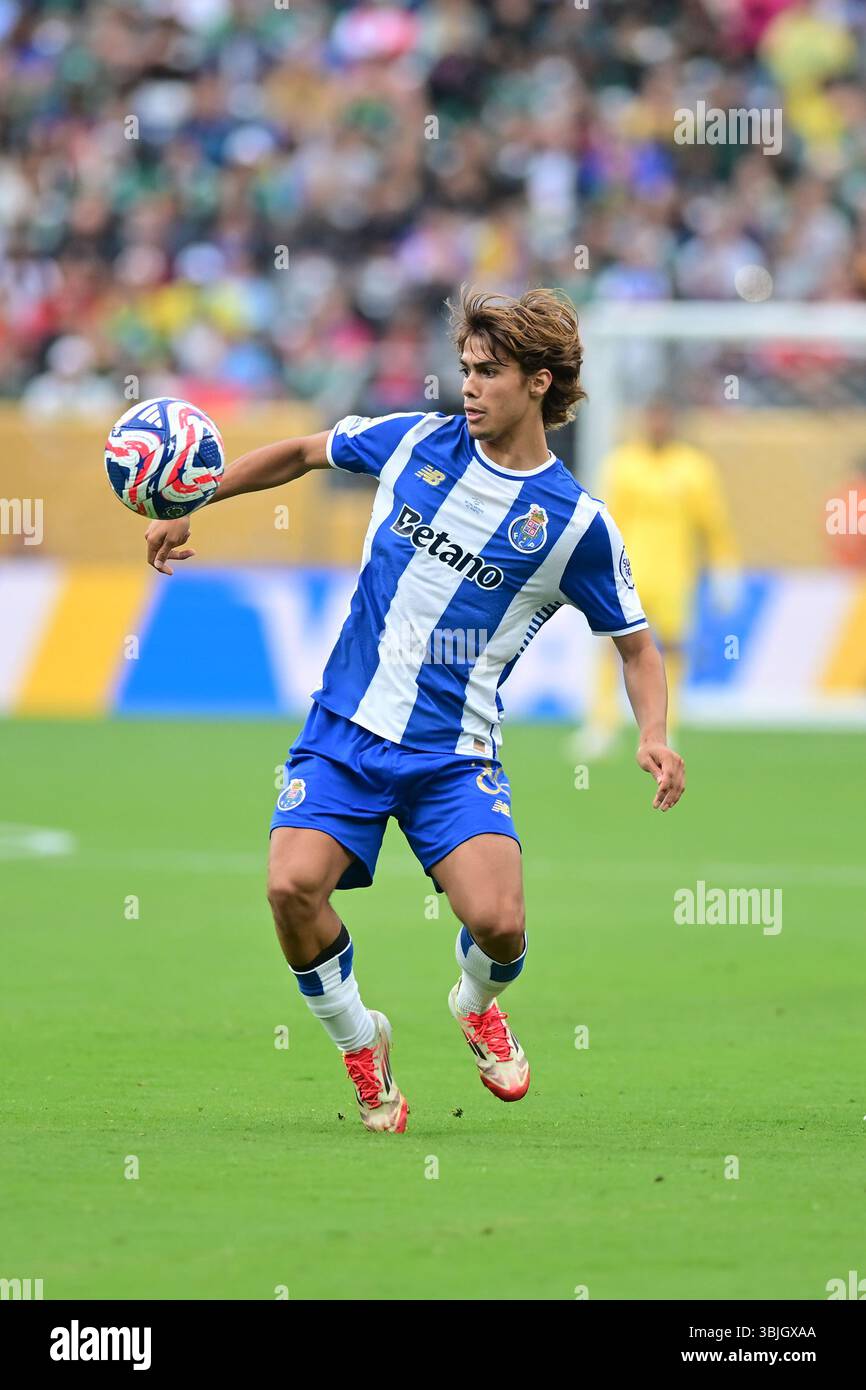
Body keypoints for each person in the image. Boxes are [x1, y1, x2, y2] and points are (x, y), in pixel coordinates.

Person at [143, 287, 685, 1134]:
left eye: (490, 372)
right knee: (290, 888)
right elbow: (298, 452)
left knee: (500, 925)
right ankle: (363, 1043)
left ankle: (475, 1003)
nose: (469, 386)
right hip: (346, 732)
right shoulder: (413, 442)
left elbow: (638, 645)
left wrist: (653, 734)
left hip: (452, 754)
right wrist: (192, 502)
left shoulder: (575, 524)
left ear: (540, 383)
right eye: (466, 368)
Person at [577, 399, 740, 758]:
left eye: (664, 418)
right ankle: (602, 722)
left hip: (674, 575)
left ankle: (666, 725)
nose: (657, 425)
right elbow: (603, 520)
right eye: (652, 418)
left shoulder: (695, 469)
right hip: (625, 572)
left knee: (672, 648)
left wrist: (724, 569)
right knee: (612, 645)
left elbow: (713, 524)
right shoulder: (623, 464)